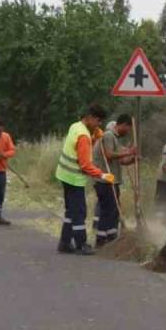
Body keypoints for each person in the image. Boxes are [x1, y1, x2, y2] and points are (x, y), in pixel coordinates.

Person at [55, 105, 111, 255]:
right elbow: (85, 164)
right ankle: (81, 244)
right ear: (90, 117)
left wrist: (95, 136)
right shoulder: (84, 137)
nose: (99, 124)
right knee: (79, 212)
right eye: (98, 121)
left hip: (64, 174)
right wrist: (102, 175)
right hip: (74, 178)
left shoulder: (76, 126)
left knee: (71, 211)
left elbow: (80, 146)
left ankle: (65, 243)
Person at [94, 115, 138, 247]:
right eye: (128, 128)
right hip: (105, 180)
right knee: (108, 210)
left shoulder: (115, 138)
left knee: (113, 210)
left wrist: (132, 159)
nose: (128, 131)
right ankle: (101, 240)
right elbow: (108, 155)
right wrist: (128, 151)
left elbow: (120, 161)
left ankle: (111, 236)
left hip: (113, 180)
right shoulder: (108, 136)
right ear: (123, 125)